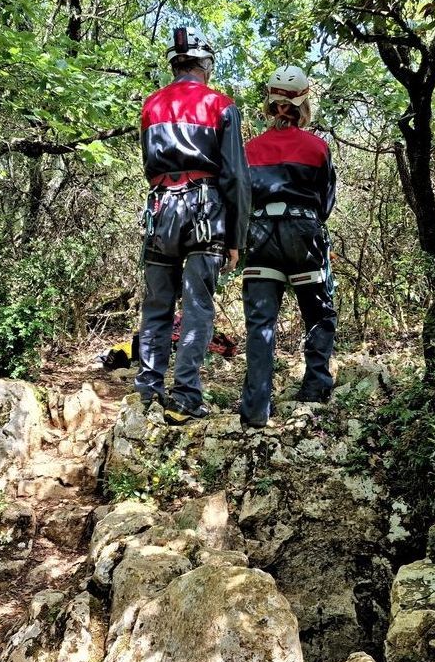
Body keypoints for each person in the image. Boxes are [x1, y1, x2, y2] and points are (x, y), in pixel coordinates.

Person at [136, 27, 250, 425]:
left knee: (156, 305)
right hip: (206, 211)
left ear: (174, 65)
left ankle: (148, 390)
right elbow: (236, 175)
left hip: (160, 209)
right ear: (205, 65)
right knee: (198, 306)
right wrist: (236, 237)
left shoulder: (151, 106)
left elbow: (148, 163)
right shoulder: (221, 105)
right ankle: (185, 394)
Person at [239, 65, 337, 429]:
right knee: (318, 311)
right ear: (303, 103)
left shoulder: (249, 150)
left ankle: (255, 409)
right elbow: (326, 203)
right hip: (303, 233)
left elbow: (240, 198)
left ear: (270, 103)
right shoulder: (318, 148)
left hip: (260, 235)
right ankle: (314, 388)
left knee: (261, 324)